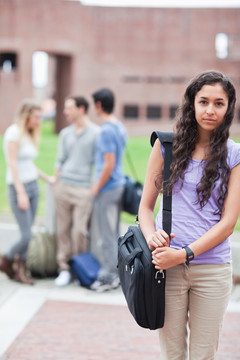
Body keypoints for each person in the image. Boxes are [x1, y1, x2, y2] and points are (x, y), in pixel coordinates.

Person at [138, 70, 240, 359]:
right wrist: (151, 236)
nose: (210, 110)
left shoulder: (234, 155)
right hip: (165, 268)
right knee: (172, 354)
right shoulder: (165, 146)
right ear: (192, 104)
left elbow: (228, 223)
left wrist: (183, 254)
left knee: (203, 355)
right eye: (203, 101)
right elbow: (145, 207)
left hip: (212, 270)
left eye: (219, 103)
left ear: (228, 108)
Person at [1, 99, 54, 285]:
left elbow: (28, 165)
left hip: (33, 186)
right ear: (27, 115)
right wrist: (21, 192)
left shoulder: (29, 134)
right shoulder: (13, 133)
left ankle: (19, 272)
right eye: (36, 117)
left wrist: (47, 178)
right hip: (19, 189)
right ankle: (5, 260)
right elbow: (13, 164)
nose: (39, 121)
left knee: (28, 232)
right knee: (26, 235)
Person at [54, 96, 99, 287]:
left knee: (79, 231)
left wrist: (92, 187)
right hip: (64, 186)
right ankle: (64, 269)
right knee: (62, 230)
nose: (66, 112)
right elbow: (60, 159)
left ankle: (79, 268)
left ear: (81, 109)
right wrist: (56, 181)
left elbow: (100, 163)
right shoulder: (65, 133)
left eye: (69, 108)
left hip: (83, 189)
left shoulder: (97, 133)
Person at [90, 88, 127, 292]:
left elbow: (108, 164)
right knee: (113, 232)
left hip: (108, 187)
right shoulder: (118, 126)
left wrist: (96, 188)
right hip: (118, 185)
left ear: (98, 105)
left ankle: (109, 276)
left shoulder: (105, 130)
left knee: (106, 234)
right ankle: (117, 274)